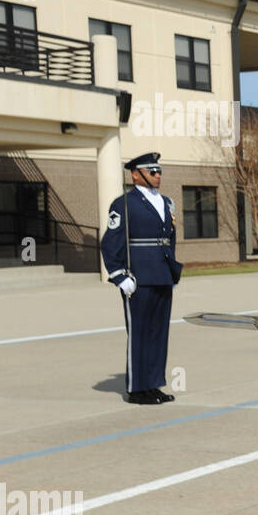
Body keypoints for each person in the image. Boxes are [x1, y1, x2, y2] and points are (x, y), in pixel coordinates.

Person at [100, 151, 181, 404]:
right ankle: (136, 389)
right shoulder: (123, 203)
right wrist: (120, 275)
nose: (158, 176)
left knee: (159, 333)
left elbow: (170, 239)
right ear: (136, 174)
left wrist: (171, 269)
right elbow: (110, 243)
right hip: (138, 278)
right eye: (152, 171)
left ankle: (153, 384)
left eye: (159, 171)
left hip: (162, 275)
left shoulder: (167, 202)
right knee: (140, 333)